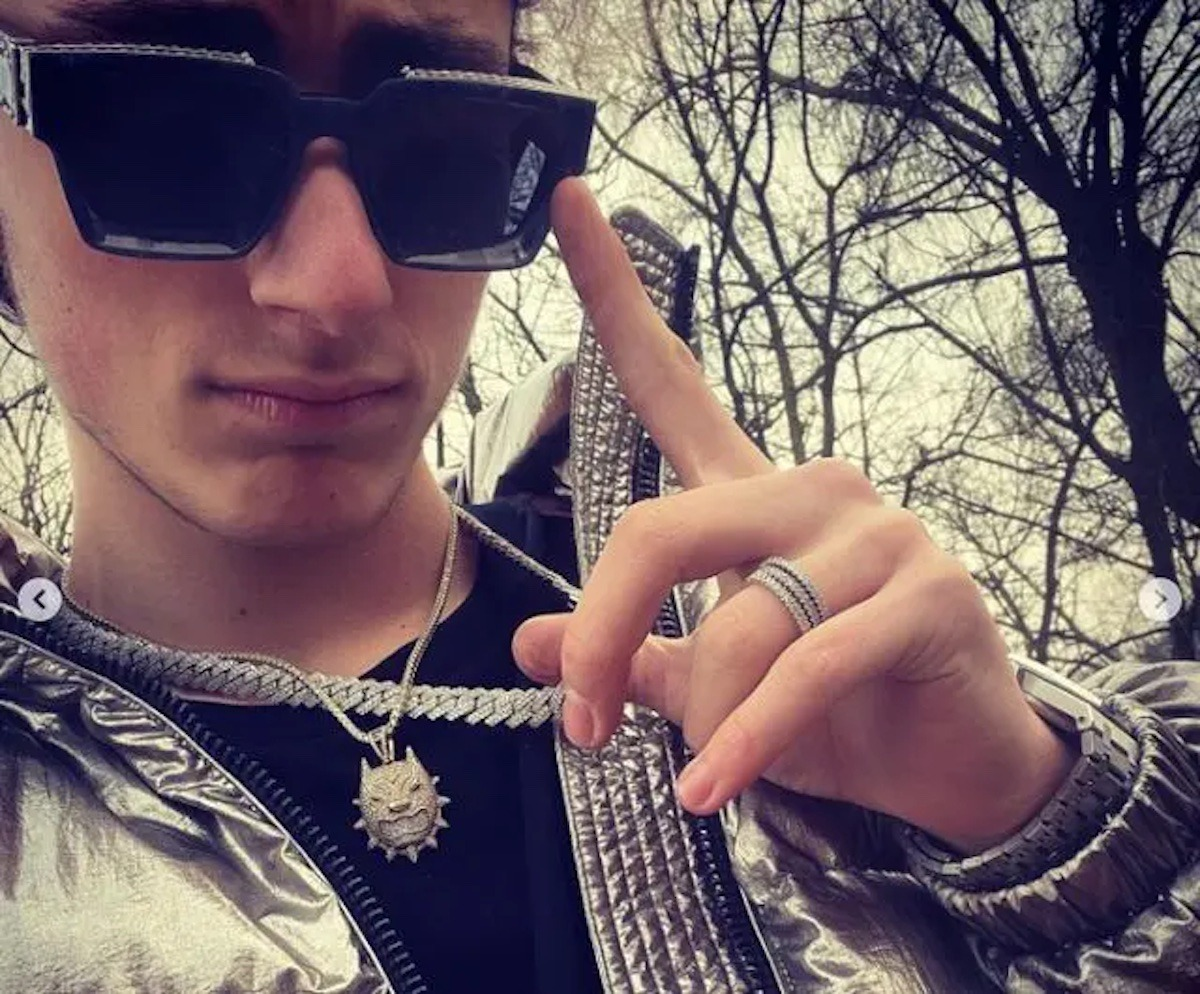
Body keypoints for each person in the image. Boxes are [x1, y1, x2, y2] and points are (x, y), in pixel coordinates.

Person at [0, 1, 1197, 992]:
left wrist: (1060, 847)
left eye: (445, 141)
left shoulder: (795, 681)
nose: (338, 283)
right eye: (166, 124)